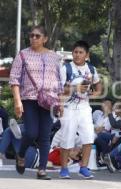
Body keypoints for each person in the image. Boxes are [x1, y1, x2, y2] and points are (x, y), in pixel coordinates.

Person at [9, 25, 63, 180]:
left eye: (37, 36)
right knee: (32, 132)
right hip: (29, 99)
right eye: (31, 35)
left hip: (49, 101)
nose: (33, 38)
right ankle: (21, 154)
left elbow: (58, 81)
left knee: (45, 135)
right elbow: (14, 80)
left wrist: (60, 103)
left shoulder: (54, 56)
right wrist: (17, 101)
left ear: (45, 39)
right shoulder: (23, 55)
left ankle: (42, 169)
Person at [58, 40, 101, 179]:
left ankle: (84, 167)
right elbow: (59, 89)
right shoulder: (66, 68)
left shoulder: (91, 69)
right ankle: (64, 169)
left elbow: (98, 87)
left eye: (81, 52)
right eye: (75, 52)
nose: (77, 55)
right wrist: (75, 88)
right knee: (67, 138)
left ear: (86, 55)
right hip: (68, 107)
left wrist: (94, 94)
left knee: (89, 137)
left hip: (84, 107)